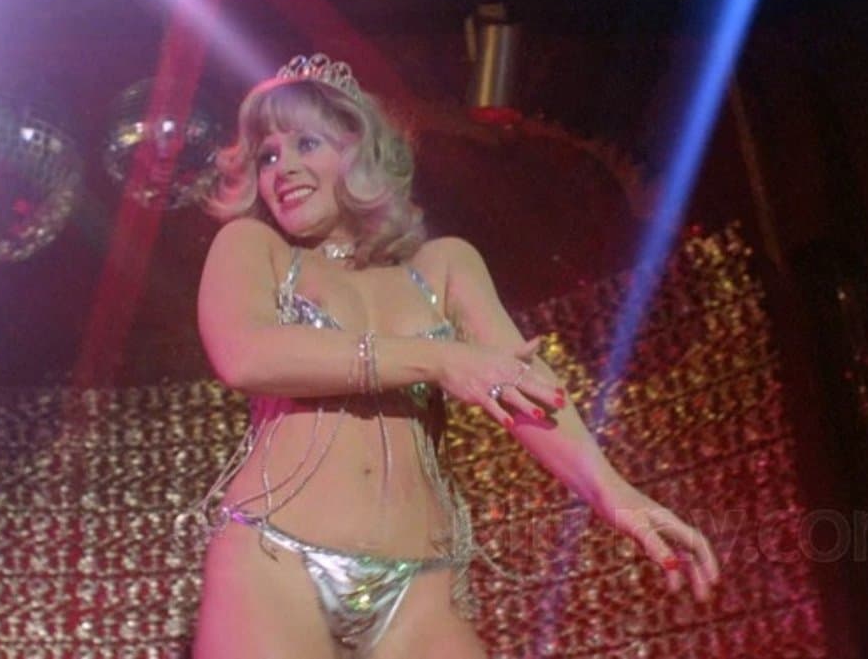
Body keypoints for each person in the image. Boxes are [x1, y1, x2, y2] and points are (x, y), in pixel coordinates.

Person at [189, 54, 719, 658]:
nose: (282, 167)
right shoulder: (253, 246)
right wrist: (439, 360)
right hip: (274, 557)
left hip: (420, 583)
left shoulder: (443, 266)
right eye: (267, 156)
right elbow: (245, 356)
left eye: (305, 143)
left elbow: (526, 386)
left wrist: (615, 495)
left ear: (360, 152)